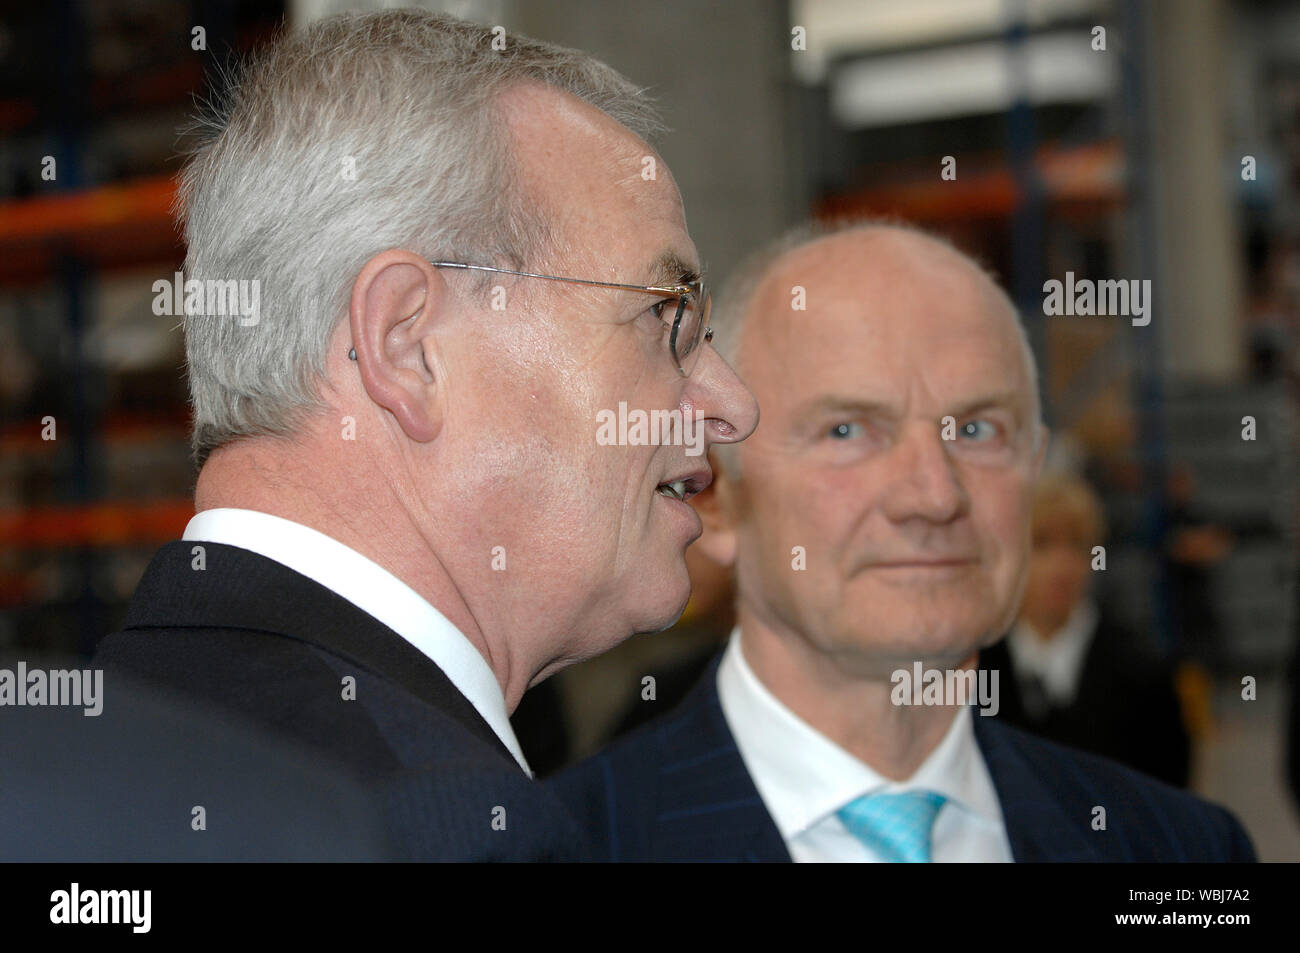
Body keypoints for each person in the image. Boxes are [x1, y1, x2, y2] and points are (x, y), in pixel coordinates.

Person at [93, 10, 757, 861]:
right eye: (666, 313)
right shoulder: (442, 825)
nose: (732, 403)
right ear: (407, 347)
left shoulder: (84, 750)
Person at [551, 221, 1255, 862]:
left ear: (1033, 471)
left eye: (977, 430)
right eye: (848, 431)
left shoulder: (1181, 851)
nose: (934, 494)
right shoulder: (562, 849)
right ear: (721, 498)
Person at [978, 473, 1191, 787]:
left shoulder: (1145, 671)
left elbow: (1167, 807)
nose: (1063, 565)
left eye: (1077, 545)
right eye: (1042, 544)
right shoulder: (966, 673)